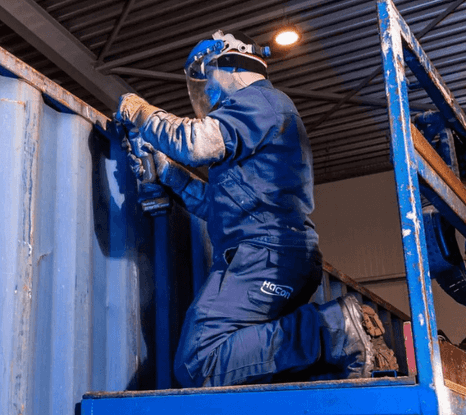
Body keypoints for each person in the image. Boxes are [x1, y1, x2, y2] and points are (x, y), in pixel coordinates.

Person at [116, 31, 390, 387]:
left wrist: (142, 114)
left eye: (207, 78)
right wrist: (169, 174)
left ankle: (332, 329)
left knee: (200, 360)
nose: (207, 92)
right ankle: (331, 348)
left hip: (263, 255)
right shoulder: (262, 118)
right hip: (280, 255)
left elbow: (195, 143)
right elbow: (219, 206)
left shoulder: (260, 102)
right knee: (249, 363)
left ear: (225, 64)